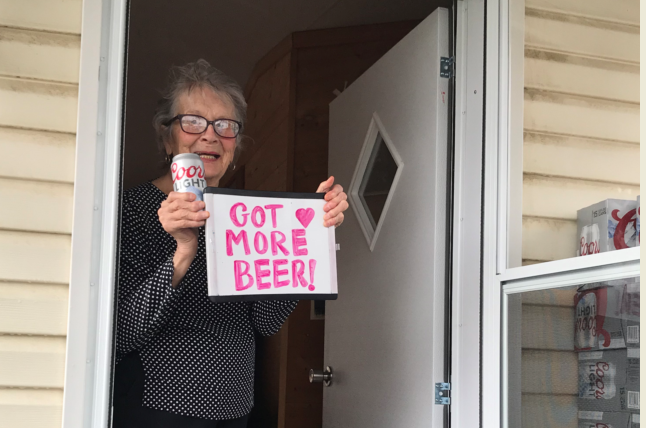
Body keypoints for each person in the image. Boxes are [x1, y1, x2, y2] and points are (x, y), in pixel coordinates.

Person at [113, 59, 349, 428]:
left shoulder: (247, 216)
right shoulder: (131, 210)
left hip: (236, 408)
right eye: (192, 122)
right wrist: (182, 254)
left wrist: (306, 237)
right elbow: (122, 333)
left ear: (235, 146)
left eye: (225, 126)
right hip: (158, 408)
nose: (210, 135)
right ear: (167, 137)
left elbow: (265, 322)